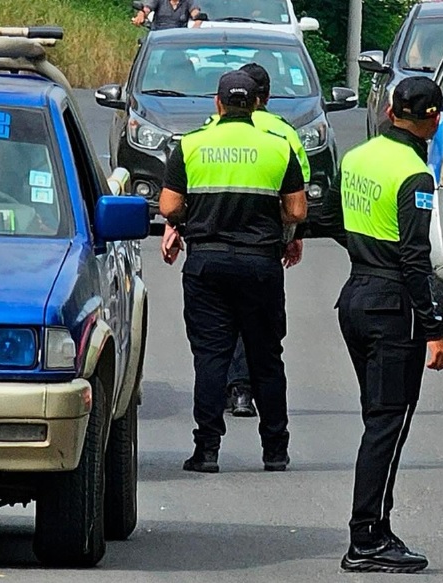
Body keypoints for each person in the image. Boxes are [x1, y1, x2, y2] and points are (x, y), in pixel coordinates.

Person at [312, 76, 443, 573]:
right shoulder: (416, 175)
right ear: (431, 119)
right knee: (387, 425)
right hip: (394, 306)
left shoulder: (358, 157)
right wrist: (434, 329)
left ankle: (376, 529)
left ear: (392, 110)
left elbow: (328, 215)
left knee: (378, 420)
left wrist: (365, 253)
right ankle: (366, 537)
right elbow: (415, 259)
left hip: (356, 295)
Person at [159, 70, 307, 473]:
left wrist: (193, 217)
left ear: (218, 103)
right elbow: (296, 210)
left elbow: (170, 207)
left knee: (210, 357)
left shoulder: (191, 145)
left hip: (207, 263)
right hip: (261, 265)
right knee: (266, 357)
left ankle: (206, 450)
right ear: (256, 104)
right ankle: (275, 448)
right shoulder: (277, 147)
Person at [133, 0, 201, 31]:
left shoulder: (188, 1)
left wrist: (196, 25)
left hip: (179, 37)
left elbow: (196, 14)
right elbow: (147, 9)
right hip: (158, 36)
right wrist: (141, 15)